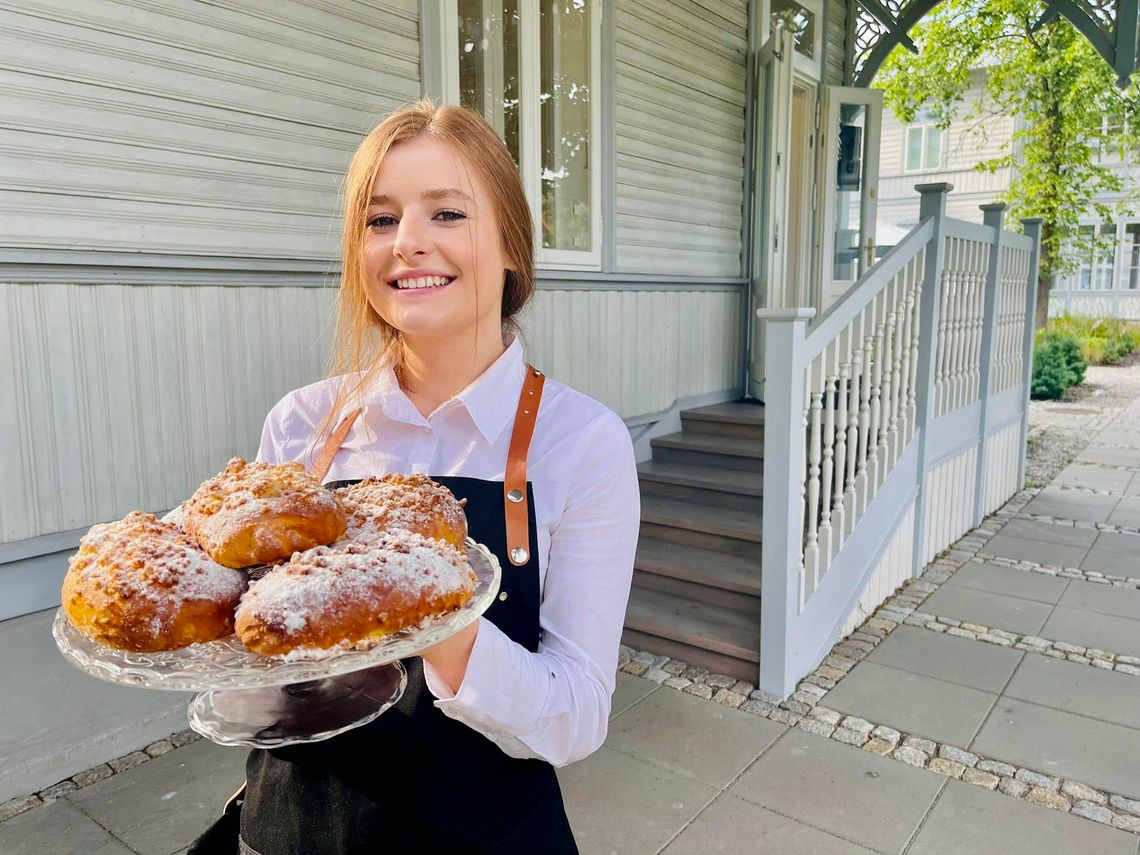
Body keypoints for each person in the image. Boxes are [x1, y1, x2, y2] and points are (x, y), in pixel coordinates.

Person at [201, 100, 640, 854]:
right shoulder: (301, 424)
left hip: (486, 832)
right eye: (379, 220)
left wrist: (442, 624)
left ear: (511, 246)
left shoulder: (582, 443)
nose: (408, 242)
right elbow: (268, 650)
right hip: (297, 826)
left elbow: (575, 715)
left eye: (446, 213)